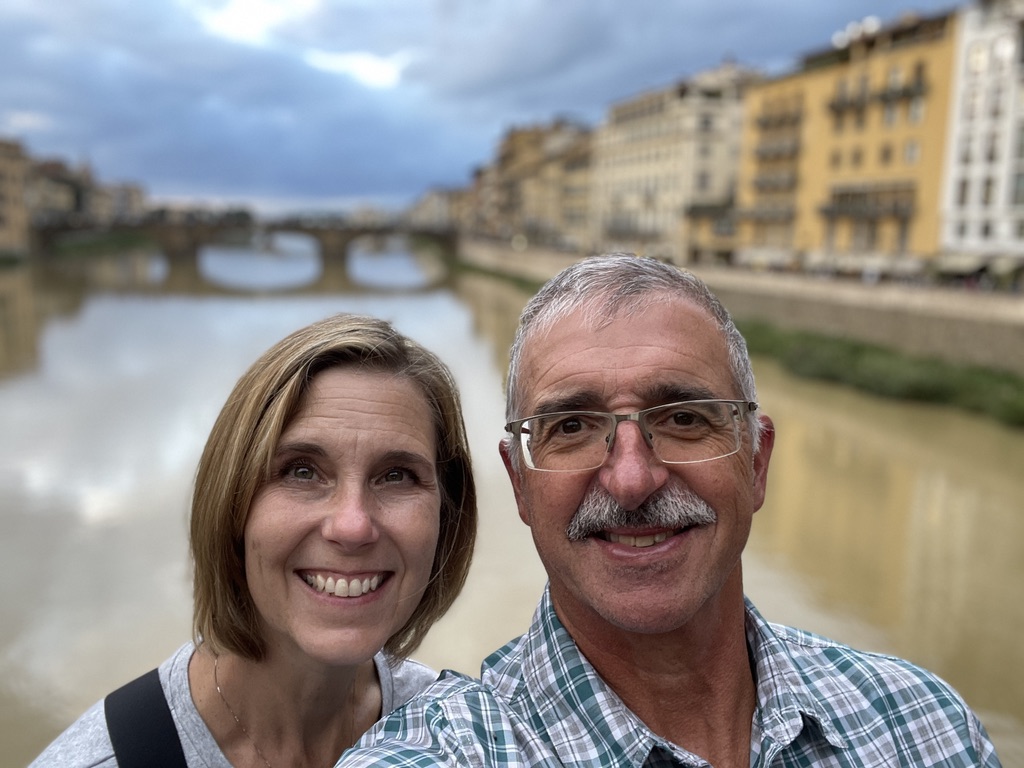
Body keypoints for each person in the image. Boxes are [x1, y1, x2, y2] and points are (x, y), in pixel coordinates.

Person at [338, 254, 1001, 767]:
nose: (631, 479)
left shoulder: (928, 727)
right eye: (572, 427)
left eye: (684, 419)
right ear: (520, 485)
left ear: (757, 462)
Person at [32, 313, 477, 767]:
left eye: (397, 475)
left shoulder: (462, 735)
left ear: (447, 515)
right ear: (232, 505)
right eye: (301, 471)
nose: (352, 526)